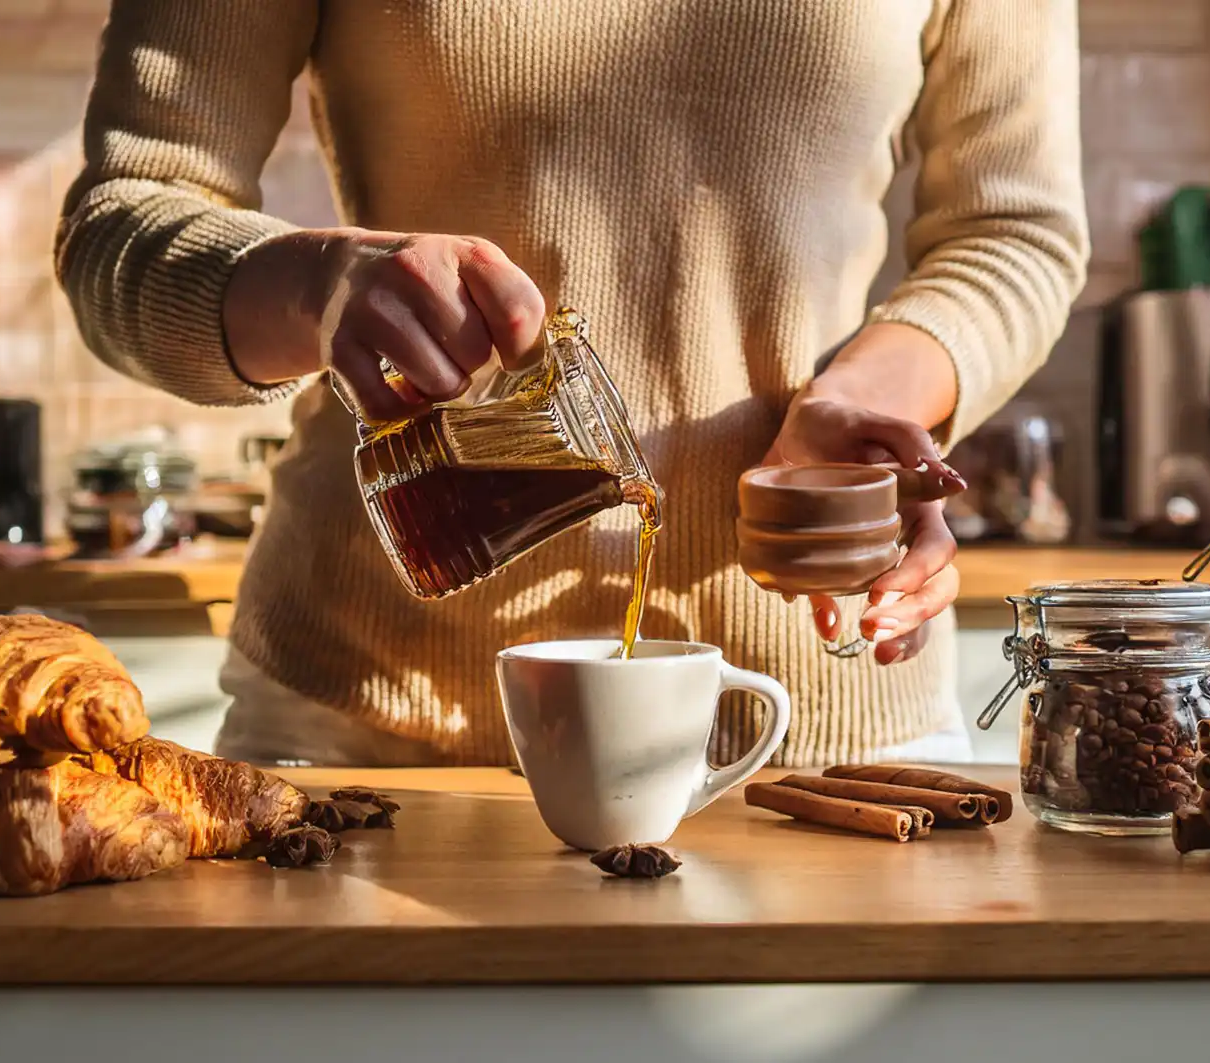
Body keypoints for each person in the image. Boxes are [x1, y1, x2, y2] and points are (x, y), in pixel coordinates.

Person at [56, 1, 1088, 768]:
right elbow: (122, 221)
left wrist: (876, 390)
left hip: (829, 722)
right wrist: (314, 287)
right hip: (370, 716)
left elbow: (1014, 229)